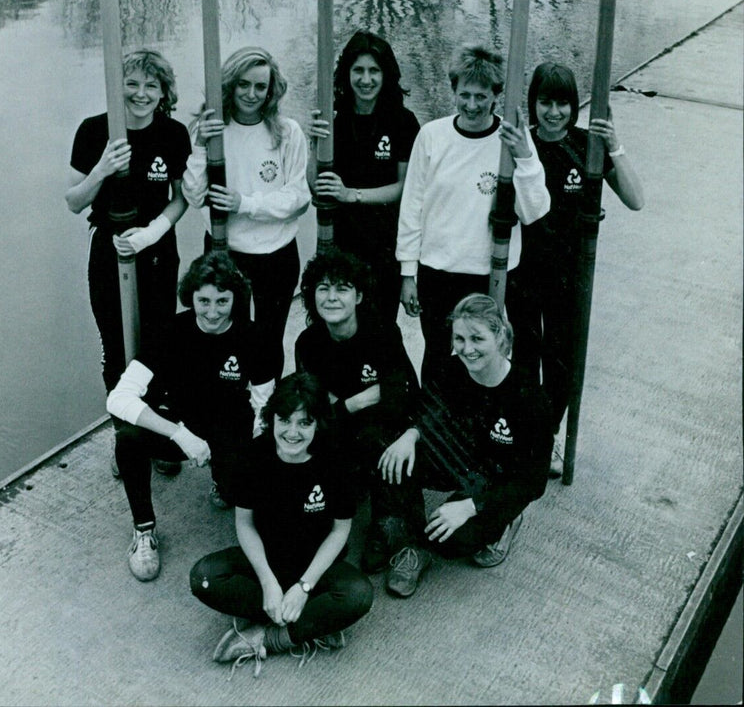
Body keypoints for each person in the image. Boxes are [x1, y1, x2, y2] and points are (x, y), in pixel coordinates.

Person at [506, 62, 644, 475]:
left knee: (562, 365)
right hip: (523, 274)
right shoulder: (520, 146)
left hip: (571, 278)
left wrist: (615, 145)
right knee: (525, 361)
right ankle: (524, 439)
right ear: (534, 103)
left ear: (573, 106)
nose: (553, 112)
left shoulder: (589, 147)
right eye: (545, 102)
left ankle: (545, 438)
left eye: (562, 103)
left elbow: (636, 199)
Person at [190, 371, 374, 675]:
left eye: (305, 422)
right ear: (271, 419)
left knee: (358, 594)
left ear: (319, 423)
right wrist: (268, 583)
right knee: (204, 577)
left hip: (315, 568)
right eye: (284, 420)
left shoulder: (336, 460)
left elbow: (341, 530)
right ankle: (312, 623)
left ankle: (270, 637)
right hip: (267, 560)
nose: (293, 432)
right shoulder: (252, 456)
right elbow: (245, 524)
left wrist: (303, 587)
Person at [106, 251, 274, 582]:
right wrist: (179, 434)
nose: (213, 312)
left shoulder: (255, 337)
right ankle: (144, 531)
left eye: (222, 301)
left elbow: (263, 407)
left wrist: (250, 459)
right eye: (204, 300)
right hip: (183, 428)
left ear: (235, 299)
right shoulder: (170, 331)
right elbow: (118, 398)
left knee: (241, 493)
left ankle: (225, 484)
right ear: (191, 297)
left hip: (231, 430)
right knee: (127, 440)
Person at [376, 294, 552, 598]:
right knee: (392, 457)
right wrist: (410, 435)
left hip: (496, 479)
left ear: (499, 336)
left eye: (477, 338)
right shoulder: (451, 367)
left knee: (456, 541)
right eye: (459, 338)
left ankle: (505, 521)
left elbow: (533, 482)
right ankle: (415, 547)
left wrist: (472, 505)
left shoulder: (530, 397)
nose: (467, 349)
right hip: (458, 461)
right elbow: (427, 408)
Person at [396, 45, 550, 377]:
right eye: (464, 94)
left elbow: (534, 210)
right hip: (437, 270)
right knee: (438, 354)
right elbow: (411, 208)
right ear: (453, 91)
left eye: (481, 96)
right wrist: (408, 273)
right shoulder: (432, 136)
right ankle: (436, 427)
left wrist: (524, 155)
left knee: (482, 356)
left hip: (488, 271)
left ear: (496, 96)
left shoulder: (511, 139)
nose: (472, 105)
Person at [182, 46, 311, 382]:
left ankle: (266, 409)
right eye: (243, 84)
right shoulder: (212, 130)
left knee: (269, 337)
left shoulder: (287, 132)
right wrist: (199, 147)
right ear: (230, 85)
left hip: (276, 253)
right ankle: (227, 406)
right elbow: (195, 197)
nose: (251, 94)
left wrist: (245, 204)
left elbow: (298, 198)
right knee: (225, 335)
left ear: (271, 90)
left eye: (260, 87)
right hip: (225, 251)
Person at [66, 49, 190, 393]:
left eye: (151, 85)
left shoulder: (174, 134)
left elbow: (181, 199)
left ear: (163, 92)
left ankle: (155, 423)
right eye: (131, 83)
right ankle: (124, 427)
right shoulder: (93, 131)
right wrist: (101, 169)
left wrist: (151, 234)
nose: (141, 93)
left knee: (157, 340)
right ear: (115, 88)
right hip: (108, 249)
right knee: (115, 345)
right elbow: (73, 201)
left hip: (156, 248)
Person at [294, 248, 419, 573]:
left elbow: (400, 396)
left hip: (382, 427)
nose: (331, 297)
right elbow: (318, 407)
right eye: (323, 288)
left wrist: (347, 402)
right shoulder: (308, 342)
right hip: (338, 427)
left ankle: (386, 523)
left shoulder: (382, 332)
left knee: (378, 438)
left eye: (342, 288)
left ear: (359, 295)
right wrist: (364, 397)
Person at [308, 31, 420, 326]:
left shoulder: (402, 121)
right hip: (339, 240)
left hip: (385, 242)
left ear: (386, 75)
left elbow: (405, 187)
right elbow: (314, 186)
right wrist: (313, 142)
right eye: (358, 70)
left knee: (379, 326)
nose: (366, 79)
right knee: (337, 323)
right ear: (347, 74)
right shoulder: (334, 119)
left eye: (374, 71)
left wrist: (351, 195)